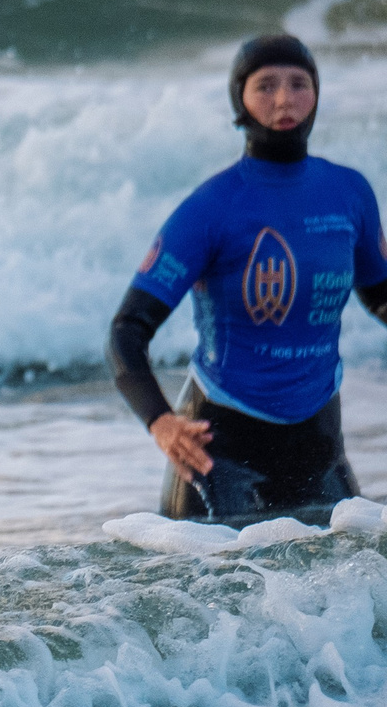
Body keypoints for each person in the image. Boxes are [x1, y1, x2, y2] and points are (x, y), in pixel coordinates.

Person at [108, 33, 386, 522]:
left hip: (320, 446)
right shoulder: (211, 208)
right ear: (240, 98)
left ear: (316, 93)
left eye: (298, 84)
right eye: (266, 86)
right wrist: (161, 422)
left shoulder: (349, 192)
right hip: (218, 455)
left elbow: (381, 296)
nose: (284, 100)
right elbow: (126, 331)